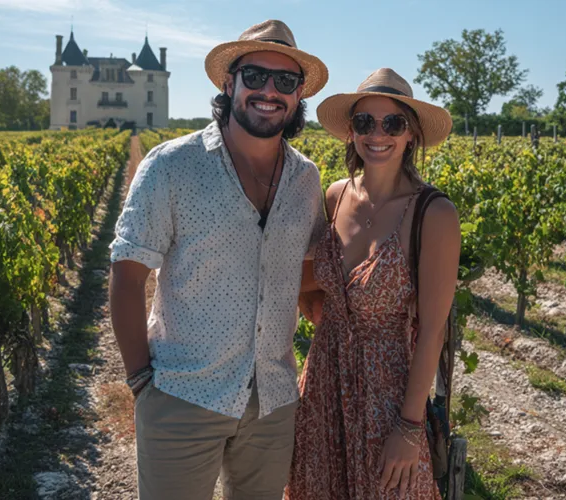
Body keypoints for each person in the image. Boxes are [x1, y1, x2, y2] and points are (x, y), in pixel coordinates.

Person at [108, 19, 328, 500]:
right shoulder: (171, 166)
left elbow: (304, 272)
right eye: (255, 76)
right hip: (182, 395)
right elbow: (126, 277)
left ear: (296, 97)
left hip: (272, 399)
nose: (269, 91)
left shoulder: (306, 180)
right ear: (229, 84)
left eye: (285, 81)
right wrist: (142, 382)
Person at [287, 68, 460, 500]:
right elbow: (319, 286)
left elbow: (433, 332)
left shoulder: (433, 214)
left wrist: (408, 426)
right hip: (322, 386)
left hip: (389, 397)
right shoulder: (334, 195)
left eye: (392, 123)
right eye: (365, 122)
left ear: (411, 135)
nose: (377, 133)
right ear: (351, 132)